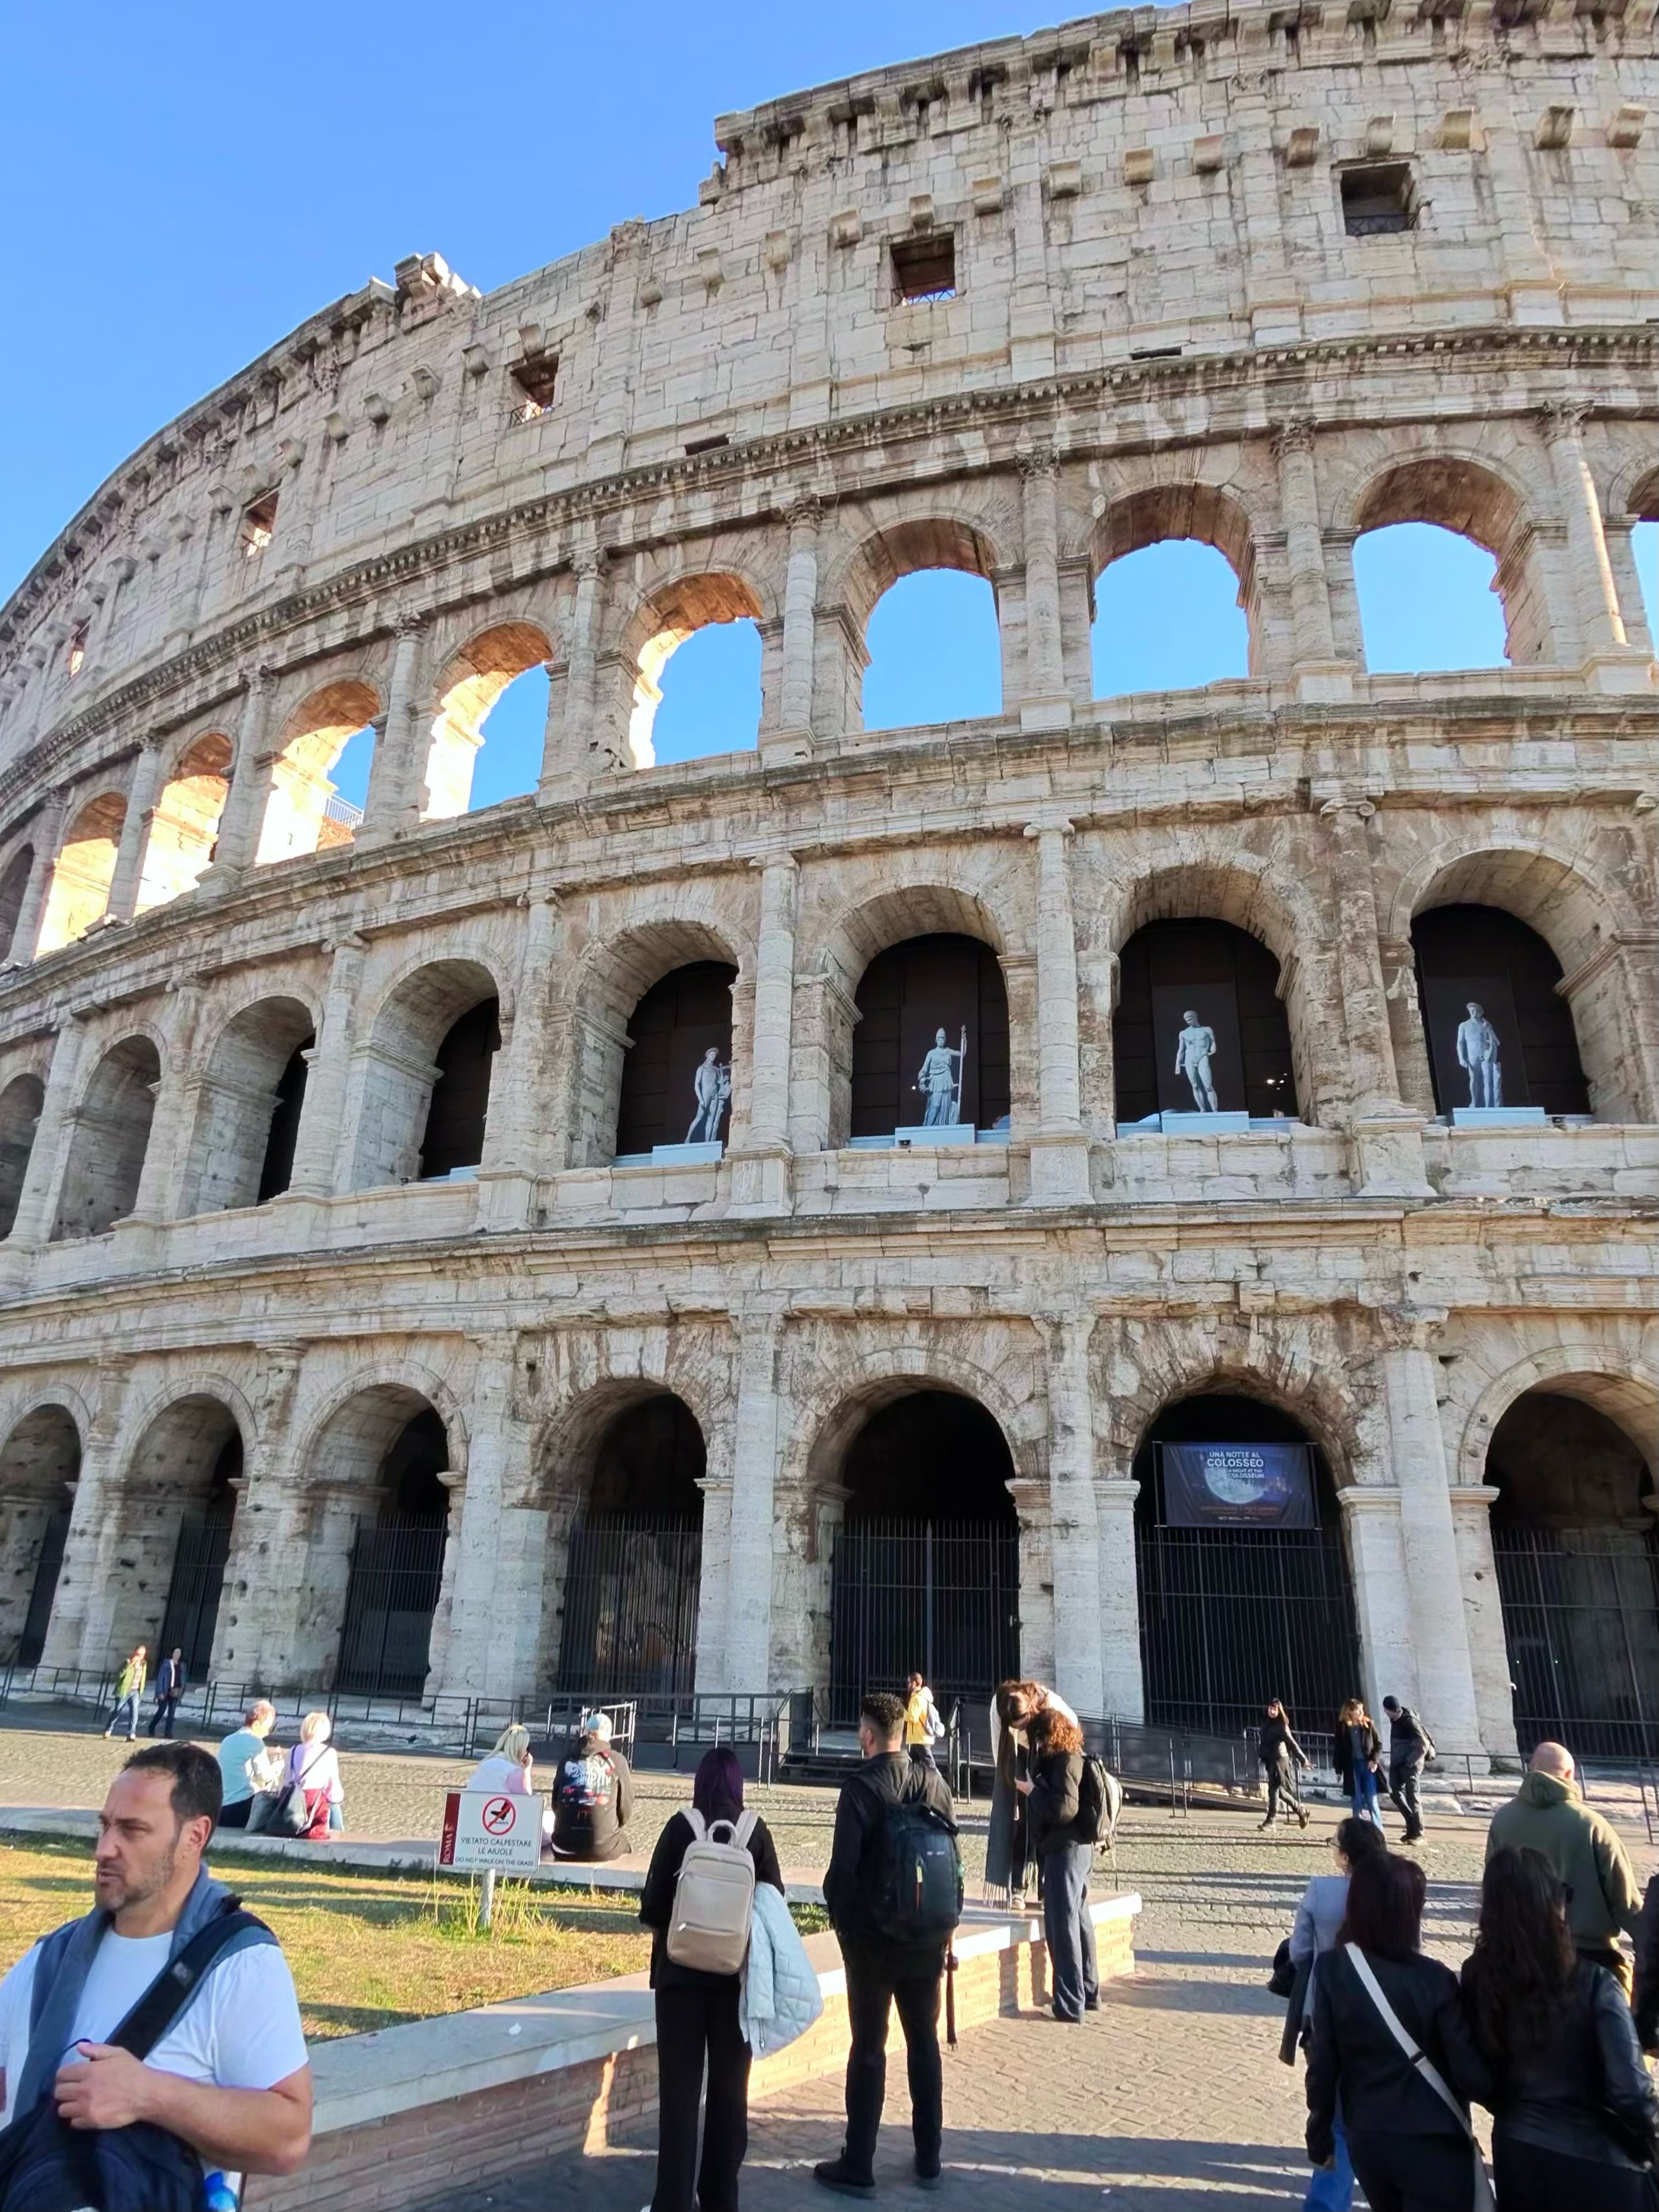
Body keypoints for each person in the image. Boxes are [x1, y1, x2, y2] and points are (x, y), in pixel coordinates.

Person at [0, 1742, 312, 2204]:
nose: (105, 1848)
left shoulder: (239, 1964)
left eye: (132, 1829)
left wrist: (150, 2094)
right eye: (105, 1825)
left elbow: (288, 2138)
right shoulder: (51, 1959)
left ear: (195, 1836)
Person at [815, 1689, 960, 2196]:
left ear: (868, 1735)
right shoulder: (932, 1782)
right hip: (926, 1940)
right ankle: (929, 2154)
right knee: (923, 2041)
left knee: (869, 2048)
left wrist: (848, 1932)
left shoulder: (860, 1789)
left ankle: (859, 2160)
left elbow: (842, 1875)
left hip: (874, 1946)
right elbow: (950, 1855)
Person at [1462, 1845, 1659, 2209]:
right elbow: (1632, 2093)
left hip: (1518, 2155)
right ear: (1556, 1906)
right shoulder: (1595, 1984)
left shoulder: (1477, 1976)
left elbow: (1477, 2072)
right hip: (1601, 2162)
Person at [638, 1746, 785, 2212]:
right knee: (729, 2092)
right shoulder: (755, 1831)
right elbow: (773, 1905)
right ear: (739, 1785)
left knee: (679, 2097)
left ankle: (673, 2201)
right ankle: (721, 2197)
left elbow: (653, 1907)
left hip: (679, 1979)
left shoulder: (681, 1826)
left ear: (699, 1782)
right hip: (736, 1980)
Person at [1305, 1851, 1492, 2212]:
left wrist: (1320, 2135)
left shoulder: (1334, 1969)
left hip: (1368, 2138)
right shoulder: (1435, 1979)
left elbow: (1323, 2064)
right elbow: (1472, 2075)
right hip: (1432, 2140)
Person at [1286, 1817, 1390, 2211]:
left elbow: (1299, 1953)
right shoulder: (1394, 1889)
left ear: (1344, 1855)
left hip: (1325, 2014)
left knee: (1334, 2117)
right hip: (1381, 2015)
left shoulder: (1322, 1891)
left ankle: (1329, 2203)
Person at [1486, 1740, 1643, 1993]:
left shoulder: (1503, 1820)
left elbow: (1492, 1887)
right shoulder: (1591, 1824)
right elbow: (1625, 1903)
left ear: (1531, 1768)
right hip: (1588, 1957)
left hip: (1519, 1955)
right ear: (1571, 1775)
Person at [1018, 1704, 1098, 2024]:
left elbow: (1064, 1809)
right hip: (1078, 1849)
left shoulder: (1064, 1762)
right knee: (1079, 1920)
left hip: (1065, 1849)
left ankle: (1070, 2002)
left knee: (1062, 1927)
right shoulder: (1072, 1757)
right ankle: (1089, 1992)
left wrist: (1033, 1791)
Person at [985, 1679, 1079, 1905]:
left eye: (1022, 1723)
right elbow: (1000, 1749)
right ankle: (1018, 1885)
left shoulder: (1050, 1703)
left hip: (1047, 1748)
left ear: (1030, 1710)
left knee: (1044, 1817)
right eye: (1015, 1727)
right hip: (1016, 1751)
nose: (1020, 1729)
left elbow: (1072, 1723)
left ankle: (1046, 1886)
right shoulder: (999, 1707)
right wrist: (1010, 1789)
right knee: (1022, 1822)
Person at [550, 1710, 634, 1862]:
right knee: (624, 1845)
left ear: (585, 1732)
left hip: (563, 1846)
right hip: (602, 1848)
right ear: (608, 1735)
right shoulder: (618, 1761)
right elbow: (625, 1810)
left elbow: (556, 1803)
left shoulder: (566, 1760)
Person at [214, 1701, 281, 1830]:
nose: (267, 1733)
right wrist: (277, 1766)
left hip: (221, 1808)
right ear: (256, 1725)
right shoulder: (255, 1742)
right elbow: (265, 1776)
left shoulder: (228, 1739)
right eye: (267, 1728)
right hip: (241, 1807)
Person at [1380, 1696, 1435, 1844]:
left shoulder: (1410, 1721)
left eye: (1386, 1711)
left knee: (1413, 1797)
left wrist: (1409, 1763)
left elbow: (1423, 1745)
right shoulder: (1395, 1719)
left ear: (1388, 1711)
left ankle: (1419, 1833)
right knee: (1395, 1793)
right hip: (1397, 1763)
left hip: (1410, 1765)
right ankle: (1411, 1824)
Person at [285, 1711, 344, 1841]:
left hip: (294, 1798)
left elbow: (288, 1781)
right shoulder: (329, 1752)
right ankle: (339, 1836)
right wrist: (337, 1799)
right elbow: (333, 1786)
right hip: (314, 1801)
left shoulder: (293, 1750)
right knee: (333, 1803)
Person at [1259, 1699, 1312, 1831]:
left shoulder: (1282, 1726)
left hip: (1279, 1760)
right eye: (1271, 1708)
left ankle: (1271, 1821)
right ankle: (1301, 1810)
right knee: (1279, 1791)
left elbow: (1292, 1743)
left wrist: (1303, 1760)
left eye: (1275, 1709)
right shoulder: (1266, 1722)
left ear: (1279, 1711)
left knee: (1273, 1790)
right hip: (1270, 1759)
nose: (1272, 1711)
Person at [1332, 1699, 1383, 1825]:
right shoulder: (1343, 1728)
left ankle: (1378, 1829)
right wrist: (1338, 1770)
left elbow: (1378, 1745)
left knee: (1372, 1799)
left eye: (1361, 1710)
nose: (1361, 1712)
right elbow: (1338, 1749)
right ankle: (1358, 1830)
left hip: (1368, 1765)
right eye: (1357, 1710)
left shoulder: (1368, 1725)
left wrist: (1374, 1760)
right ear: (1350, 1712)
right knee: (1357, 1799)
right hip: (1352, 1766)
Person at [103, 1644, 148, 1741]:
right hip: (125, 1691)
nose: (140, 1657)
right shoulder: (127, 1662)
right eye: (138, 1654)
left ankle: (131, 1733)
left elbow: (143, 1678)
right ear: (135, 1653)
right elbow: (120, 1675)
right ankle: (109, 1729)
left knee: (134, 1713)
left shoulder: (144, 1664)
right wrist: (130, 1665)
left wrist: (141, 1691)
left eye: (142, 1655)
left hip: (135, 1691)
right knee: (117, 1711)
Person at [903, 1673, 944, 1771]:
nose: (907, 1685)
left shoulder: (916, 1698)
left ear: (914, 1683)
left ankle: (941, 1785)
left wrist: (902, 1712)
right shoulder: (922, 1697)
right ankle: (910, 1785)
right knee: (912, 1767)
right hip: (918, 1738)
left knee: (930, 1766)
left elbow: (913, 1717)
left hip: (920, 1738)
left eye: (908, 1683)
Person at [150, 1648, 187, 1740]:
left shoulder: (182, 1666)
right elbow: (160, 1679)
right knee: (161, 1711)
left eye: (179, 1652)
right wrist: (160, 1692)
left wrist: (182, 1692)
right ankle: (152, 1727)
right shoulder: (166, 1664)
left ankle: (168, 1733)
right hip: (165, 1691)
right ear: (172, 1654)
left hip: (175, 1692)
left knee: (171, 1714)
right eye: (175, 1652)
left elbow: (183, 1680)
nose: (177, 1654)